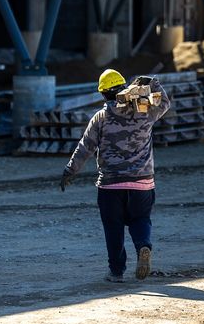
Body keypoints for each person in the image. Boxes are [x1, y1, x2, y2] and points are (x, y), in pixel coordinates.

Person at [59, 69, 170, 283]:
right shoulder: (143, 111)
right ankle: (143, 246)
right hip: (142, 182)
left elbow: (85, 147)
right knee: (140, 219)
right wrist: (153, 83)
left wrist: (70, 170)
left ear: (103, 94)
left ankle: (117, 272)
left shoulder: (101, 117)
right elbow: (164, 103)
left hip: (110, 184)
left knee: (113, 228)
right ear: (124, 88)